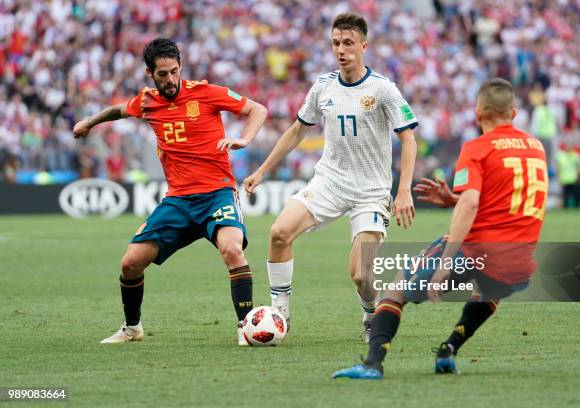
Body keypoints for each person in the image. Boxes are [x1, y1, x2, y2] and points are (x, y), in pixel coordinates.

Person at [333, 77, 548, 379]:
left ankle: (373, 364)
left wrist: (445, 263)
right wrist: (454, 200)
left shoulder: (477, 147)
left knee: (395, 290)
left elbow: (472, 204)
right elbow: (501, 198)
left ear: (477, 114)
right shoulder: (535, 146)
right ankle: (449, 350)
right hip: (520, 260)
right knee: (489, 291)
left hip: (476, 247)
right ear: (513, 114)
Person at [73, 38, 268, 345]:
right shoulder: (147, 101)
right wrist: (88, 122)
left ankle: (246, 326)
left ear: (180, 68)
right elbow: (118, 110)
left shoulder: (206, 92)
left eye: (174, 71)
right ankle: (132, 328)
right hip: (177, 201)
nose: (169, 79)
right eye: (162, 74)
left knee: (232, 249)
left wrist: (244, 138)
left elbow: (258, 109)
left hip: (217, 193)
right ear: (150, 73)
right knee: (130, 263)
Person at [244, 13, 419, 342]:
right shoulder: (323, 86)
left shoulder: (383, 89)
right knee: (279, 232)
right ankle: (280, 313)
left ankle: (370, 312)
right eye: (336, 43)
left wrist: (404, 190)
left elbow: (409, 139)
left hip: (370, 191)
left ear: (364, 46)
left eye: (348, 43)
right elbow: (297, 130)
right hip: (330, 182)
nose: (341, 49)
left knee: (359, 274)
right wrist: (262, 170)